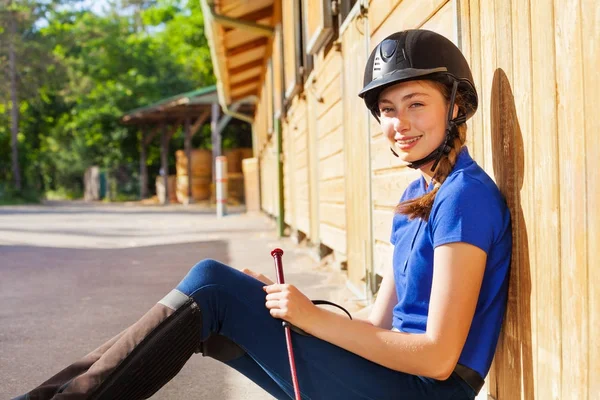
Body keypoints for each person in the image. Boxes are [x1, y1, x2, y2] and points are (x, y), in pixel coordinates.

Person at [14, 29, 511, 400]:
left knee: (211, 286)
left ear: (455, 105)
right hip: (393, 375)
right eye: (387, 109)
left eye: (415, 104)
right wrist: (279, 304)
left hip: (423, 389)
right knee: (218, 302)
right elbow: (379, 319)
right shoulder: (416, 196)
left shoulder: (464, 198)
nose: (399, 124)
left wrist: (310, 317)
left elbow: (440, 356)